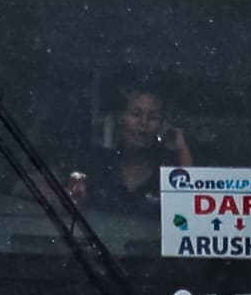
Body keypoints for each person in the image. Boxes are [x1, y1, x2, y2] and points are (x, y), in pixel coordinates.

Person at [80, 84, 194, 212]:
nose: (143, 123)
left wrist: (181, 148)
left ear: (162, 126)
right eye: (135, 114)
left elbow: (187, 206)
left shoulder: (169, 172)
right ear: (121, 120)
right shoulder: (97, 164)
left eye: (153, 117)